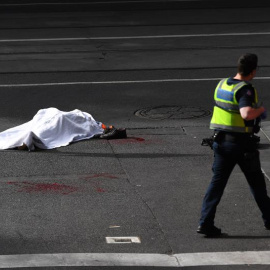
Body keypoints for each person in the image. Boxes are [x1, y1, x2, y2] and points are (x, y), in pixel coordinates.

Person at [197, 53, 270, 237]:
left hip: (221, 143)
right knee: (257, 185)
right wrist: (260, 111)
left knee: (217, 185)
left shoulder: (222, 84)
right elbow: (246, 114)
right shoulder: (245, 89)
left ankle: (205, 223)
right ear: (253, 71)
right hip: (242, 146)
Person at [0, 108, 127, 151]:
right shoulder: (94, 124)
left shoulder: (95, 127)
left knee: (51, 123)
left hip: (60, 120)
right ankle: (26, 140)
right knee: (51, 119)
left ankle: (27, 141)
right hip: (58, 118)